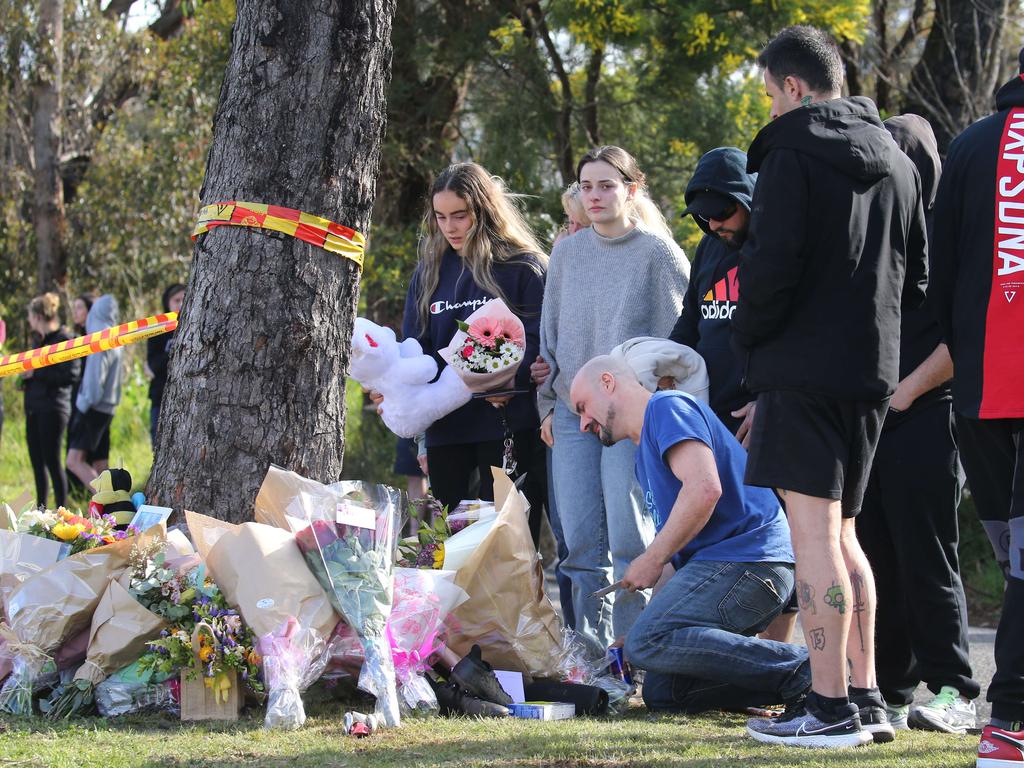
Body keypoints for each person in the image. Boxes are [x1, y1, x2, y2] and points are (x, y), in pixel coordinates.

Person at [734, 27, 927, 747]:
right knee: (846, 534)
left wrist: (748, 338)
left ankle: (828, 706)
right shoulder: (902, 163)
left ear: (792, 88)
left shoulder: (789, 151)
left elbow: (771, 265)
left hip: (802, 370)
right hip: (871, 370)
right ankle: (867, 698)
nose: (769, 108)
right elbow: (920, 276)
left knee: (811, 536)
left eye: (768, 95)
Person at [569, 355, 814, 718]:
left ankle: (807, 670)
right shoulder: (644, 455)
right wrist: (643, 630)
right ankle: (790, 685)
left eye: (582, 407)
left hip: (752, 562)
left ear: (608, 383)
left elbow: (704, 490)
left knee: (646, 642)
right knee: (663, 691)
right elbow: (674, 561)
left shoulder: (667, 407)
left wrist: (650, 561)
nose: (583, 423)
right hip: (730, 568)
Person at [852, 114, 980, 734]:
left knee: (929, 559)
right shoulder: (873, 231)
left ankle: (955, 688)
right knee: (875, 557)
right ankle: (891, 690)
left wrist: (902, 394)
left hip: (928, 414)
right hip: (869, 423)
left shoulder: (951, 234)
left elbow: (962, 338)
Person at [537, 145, 690, 656]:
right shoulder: (567, 252)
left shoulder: (657, 254)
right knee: (578, 543)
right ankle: (588, 655)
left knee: (630, 540)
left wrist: (660, 414)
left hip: (632, 417)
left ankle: (634, 652)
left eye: (607, 185)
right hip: (570, 409)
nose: (596, 195)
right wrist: (545, 406)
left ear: (632, 188)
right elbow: (549, 336)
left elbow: (681, 345)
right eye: (587, 186)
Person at [929, 47, 1024, 767]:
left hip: (982, 392)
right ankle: (1012, 719)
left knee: (1017, 555)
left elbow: (938, 272)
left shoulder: (967, 145)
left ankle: (1008, 723)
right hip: (991, 384)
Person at [398, 163, 547, 523]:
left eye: (460, 216)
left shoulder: (522, 267)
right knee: (452, 542)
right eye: (440, 217)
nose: (450, 227)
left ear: (484, 210)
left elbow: (543, 339)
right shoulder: (429, 271)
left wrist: (513, 376)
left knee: (508, 541)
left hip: (510, 425)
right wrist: (418, 434)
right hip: (446, 428)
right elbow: (414, 350)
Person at [22, 293, 80, 508]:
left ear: (37, 316)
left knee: (53, 462)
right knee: (38, 464)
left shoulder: (65, 339)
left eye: (29, 316)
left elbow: (70, 375)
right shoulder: (39, 342)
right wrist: (27, 380)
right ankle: (41, 511)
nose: (28, 321)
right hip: (34, 409)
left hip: (54, 409)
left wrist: (36, 373)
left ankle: (61, 510)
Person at [67, 295, 123, 491]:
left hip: (93, 406)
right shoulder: (116, 336)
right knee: (100, 464)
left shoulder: (99, 339)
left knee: (74, 460)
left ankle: (110, 504)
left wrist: (82, 405)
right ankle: (118, 508)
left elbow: (94, 379)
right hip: (107, 407)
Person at [146, 283, 185, 445]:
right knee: (159, 443)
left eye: (185, 299)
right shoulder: (157, 329)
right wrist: (174, 351)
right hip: (160, 396)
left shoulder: (197, 326)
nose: (181, 304)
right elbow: (153, 365)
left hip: (186, 397)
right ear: (167, 303)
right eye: (177, 300)